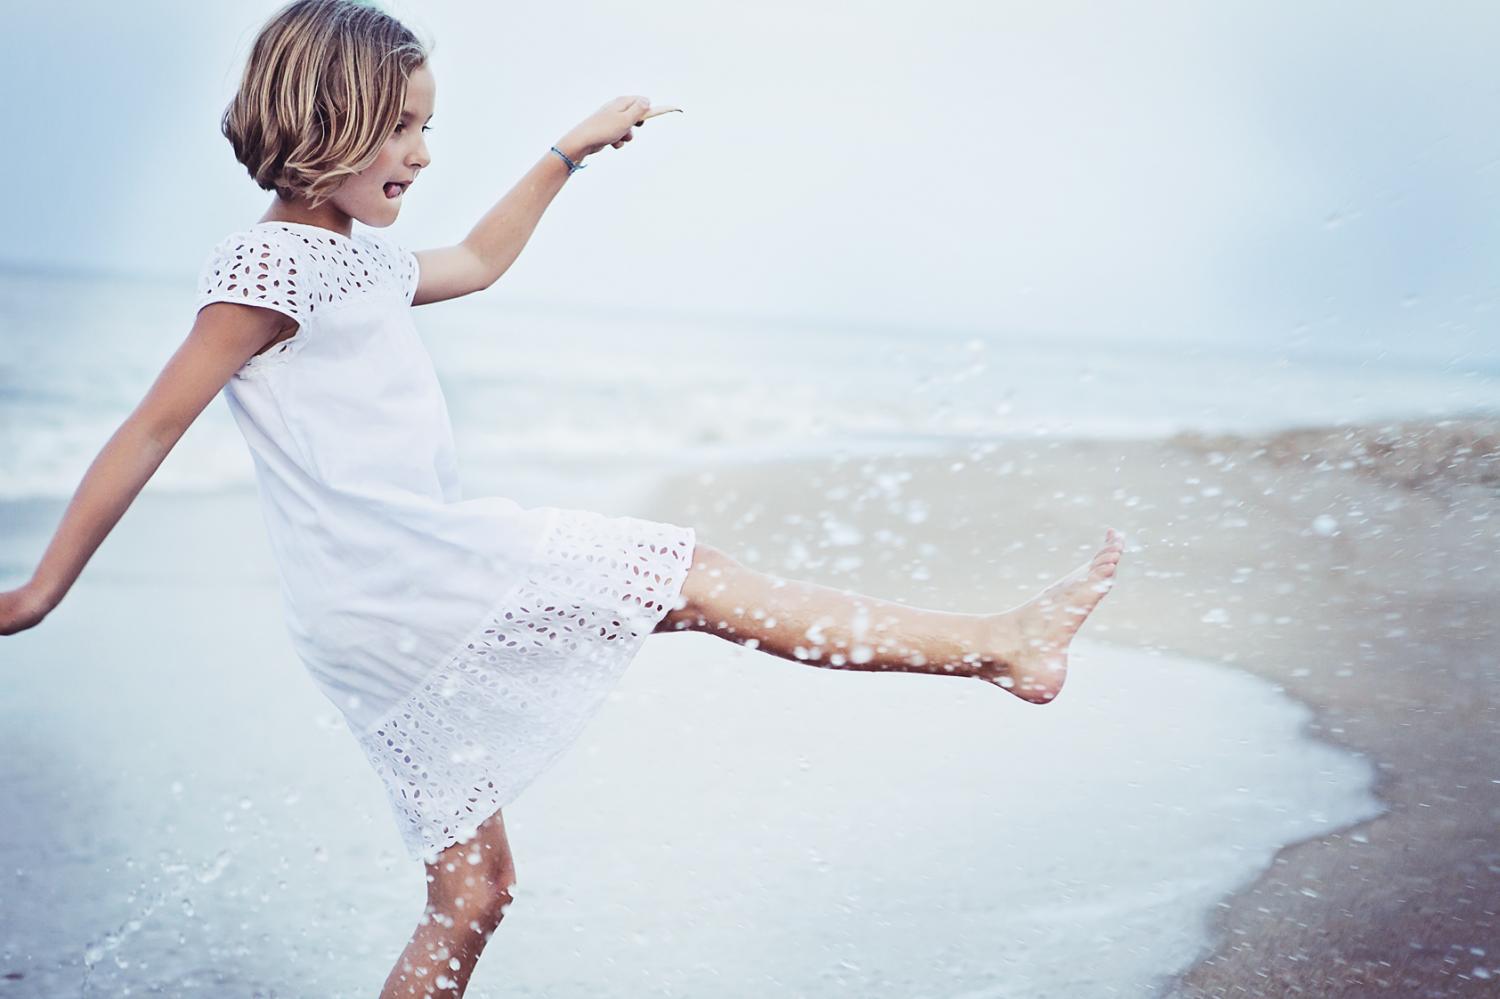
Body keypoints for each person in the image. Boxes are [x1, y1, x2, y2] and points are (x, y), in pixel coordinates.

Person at [0, 1, 1125, 995]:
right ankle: (998, 644)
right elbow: (152, 424)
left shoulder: (357, 259)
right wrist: (45, 588)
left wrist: (565, 154)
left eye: (427, 126)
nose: (424, 153)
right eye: (402, 127)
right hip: (416, 570)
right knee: (691, 576)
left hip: (366, 615)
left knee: (474, 892)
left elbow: (480, 263)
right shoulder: (270, 271)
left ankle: (998, 647)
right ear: (323, 122)